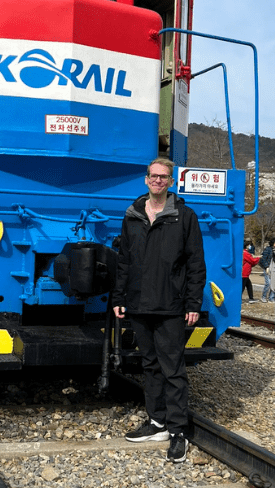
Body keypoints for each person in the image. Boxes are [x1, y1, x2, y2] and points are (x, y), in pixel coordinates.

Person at [111, 157, 205, 464]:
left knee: (172, 369)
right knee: (149, 365)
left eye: (164, 177)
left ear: (171, 181)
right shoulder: (133, 214)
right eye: (154, 176)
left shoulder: (184, 216)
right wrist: (118, 297)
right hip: (138, 304)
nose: (158, 181)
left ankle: (178, 430)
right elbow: (123, 261)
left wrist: (193, 303)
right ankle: (157, 422)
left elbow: (195, 263)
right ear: (146, 179)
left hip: (170, 306)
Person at [259, 238, 275, 303]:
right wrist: (266, 266)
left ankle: (271, 297)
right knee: (268, 283)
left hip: (274, 268)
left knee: (273, 284)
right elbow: (263, 259)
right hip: (268, 268)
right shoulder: (267, 249)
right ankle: (263, 297)